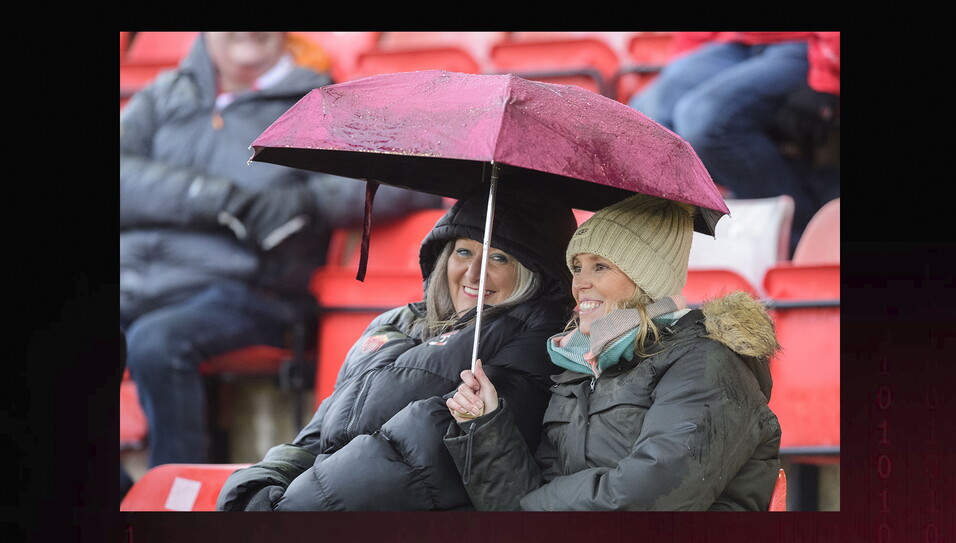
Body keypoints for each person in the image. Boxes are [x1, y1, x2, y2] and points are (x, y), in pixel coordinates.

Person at [120, 32, 440, 473]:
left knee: (157, 342)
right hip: (141, 278)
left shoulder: (319, 99)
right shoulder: (164, 94)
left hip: (252, 289)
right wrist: (214, 198)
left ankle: (175, 491)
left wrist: (310, 201)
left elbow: (405, 177)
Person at [216, 182, 578, 511]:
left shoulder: (534, 339)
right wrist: (262, 484)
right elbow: (318, 434)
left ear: (536, 273)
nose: (473, 273)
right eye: (464, 252)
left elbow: (420, 457)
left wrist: (294, 511)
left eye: (499, 258)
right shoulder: (394, 323)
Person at [444, 193, 782, 510]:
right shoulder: (579, 366)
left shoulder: (708, 361)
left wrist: (534, 505)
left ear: (647, 278)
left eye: (600, 267)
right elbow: (521, 502)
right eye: (577, 267)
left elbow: (649, 496)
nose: (580, 283)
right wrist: (486, 427)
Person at [628, 32, 840, 254]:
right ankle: (685, 240)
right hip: (735, 42)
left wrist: (826, 74)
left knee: (701, 120)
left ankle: (797, 236)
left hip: (805, 44)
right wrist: (688, 61)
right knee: (643, 118)